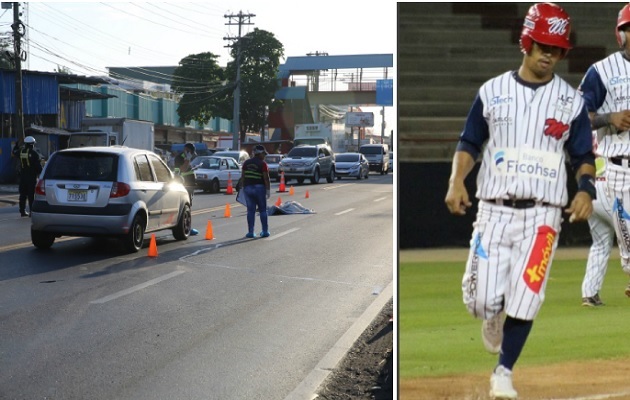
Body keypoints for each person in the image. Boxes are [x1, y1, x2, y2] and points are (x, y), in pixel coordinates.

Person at [444, 3, 595, 399]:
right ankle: (491, 315)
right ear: (526, 42)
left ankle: (504, 372)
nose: (548, 54)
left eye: (557, 48)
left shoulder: (571, 102)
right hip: (493, 211)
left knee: (528, 295)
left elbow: (582, 157)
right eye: (542, 44)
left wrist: (585, 189)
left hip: (544, 216)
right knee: (478, 301)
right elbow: (470, 142)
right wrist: (456, 180)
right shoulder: (492, 91)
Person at [578, 3, 630, 299]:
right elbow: (578, 117)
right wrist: (609, 118)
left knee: (603, 241)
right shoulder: (602, 71)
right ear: (620, 34)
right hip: (618, 170)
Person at [581, 137, 615, 307]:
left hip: (590, 189)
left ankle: (589, 293)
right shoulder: (612, 125)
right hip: (611, 188)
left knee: (600, 244)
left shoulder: (588, 129)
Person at [238, 145, 271, 238]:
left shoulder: (246, 163)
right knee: (263, 210)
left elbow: (243, 176)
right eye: (263, 154)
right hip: (259, 188)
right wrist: (268, 189)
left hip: (248, 188)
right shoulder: (262, 164)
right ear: (259, 154)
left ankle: (251, 232)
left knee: (250, 211)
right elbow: (266, 178)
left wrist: (242, 187)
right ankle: (265, 231)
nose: (264, 156)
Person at [13, 136, 43, 217]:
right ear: (32, 144)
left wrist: (16, 145)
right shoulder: (34, 154)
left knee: (22, 194)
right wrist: (42, 174)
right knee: (31, 195)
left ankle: (22, 211)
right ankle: (31, 212)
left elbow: (14, 151)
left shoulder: (20, 151)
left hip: (22, 177)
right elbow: (39, 168)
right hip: (31, 177)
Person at [173, 143, 199, 235]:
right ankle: (186, 227)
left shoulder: (186, 157)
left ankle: (187, 226)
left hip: (190, 185)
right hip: (184, 185)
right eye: (191, 152)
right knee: (186, 207)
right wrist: (187, 159)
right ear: (187, 150)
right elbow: (183, 169)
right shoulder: (180, 158)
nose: (191, 154)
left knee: (188, 206)